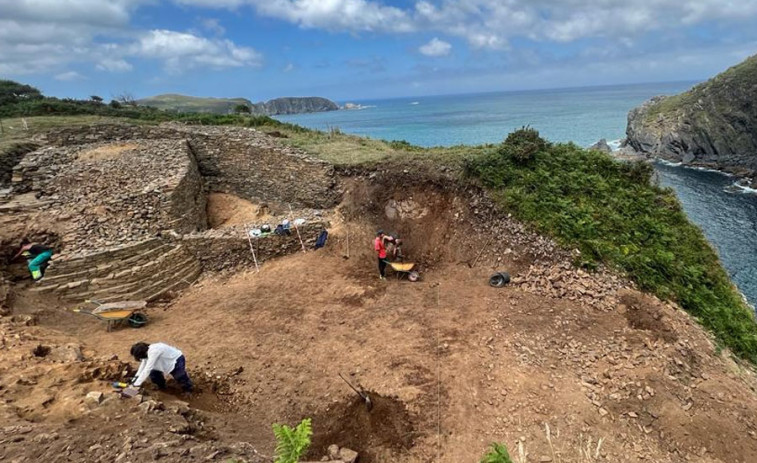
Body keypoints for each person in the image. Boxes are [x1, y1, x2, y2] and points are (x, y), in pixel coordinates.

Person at [124, 342, 193, 395]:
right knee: (154, 375)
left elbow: (147, 369)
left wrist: (137, 384)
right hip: (163, 362)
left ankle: (188, 389)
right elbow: (143, 365)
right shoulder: (146, 353)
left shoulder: (154, 351)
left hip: (175, 360)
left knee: (179, 376)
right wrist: (135, 378)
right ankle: (162, 388)